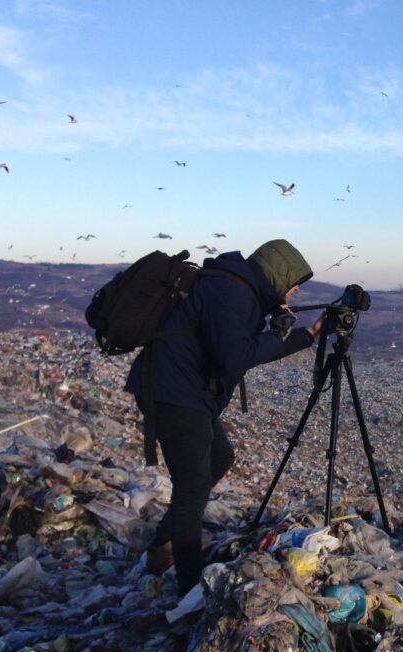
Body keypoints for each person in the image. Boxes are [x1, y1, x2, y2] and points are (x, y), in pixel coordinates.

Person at [126, 239, 324, 596]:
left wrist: (305, 335)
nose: (292, 296)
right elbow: (234, 356)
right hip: (174, 393)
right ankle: (190, 587)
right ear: (279, 276)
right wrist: (293, 336)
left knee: (220, 457)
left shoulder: (238, 288)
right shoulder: (231, 293)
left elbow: (228, 344)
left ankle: (163, 546)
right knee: (192, 488)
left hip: (183, 391)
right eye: (292, 288)